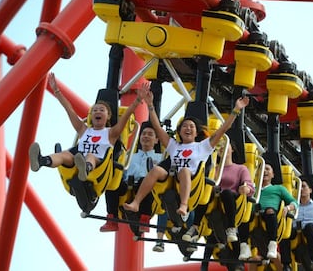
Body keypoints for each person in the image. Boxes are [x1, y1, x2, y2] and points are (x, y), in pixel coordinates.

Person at [123, 82, 250, 218]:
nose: (188, 128)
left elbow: (223, 129)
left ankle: (184, 205)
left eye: (191, 127)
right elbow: (157, 128)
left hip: (192, 180)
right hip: (171, 178)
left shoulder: (203, 146)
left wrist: (236, 110)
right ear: (179, 132)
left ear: (196, 133)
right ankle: (136, 202)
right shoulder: (174, 146)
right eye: (184, 126)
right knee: (156, 170)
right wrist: (150, 105)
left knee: (184, 170)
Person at [29, 72, 145, 181]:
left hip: (100, 166)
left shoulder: (111, 133)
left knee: (90, 155)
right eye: (94, 110)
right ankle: (41, 161)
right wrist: (57, 91)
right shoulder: (84, 130)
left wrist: (138, 99)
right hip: (77, 161)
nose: (97, 112)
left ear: (108, 116)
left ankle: (86, 169)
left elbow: (126, 116)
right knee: (64, 154)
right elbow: (69, 110)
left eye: (101, 110)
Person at [181, 142, 255, 255]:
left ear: (232, 149)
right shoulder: (213, 168)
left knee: (226, 192)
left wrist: (246, 189)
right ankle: (195, 227)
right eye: (220, 146)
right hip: (212, 197)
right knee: (206, 189)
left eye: (225, 146)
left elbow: (249, 186)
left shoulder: (241, 169)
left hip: (231, 198)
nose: (222, 148)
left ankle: (231, 228)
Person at [99, 122, 162, 232]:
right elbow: (121, 173)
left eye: (150, 134)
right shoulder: (129, 155)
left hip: (147, 188)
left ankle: (144, 219)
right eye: (144, 134)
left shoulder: (160, 157)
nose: (146, 136)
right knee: (113, 183)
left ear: (156, 140)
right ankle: (112, 219)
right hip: (128, 184)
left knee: (146, 181)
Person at [257, 161, 298, 260]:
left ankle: (272, 243)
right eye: (262, 168)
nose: (265, 171)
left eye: (268, 169)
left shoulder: (278, 188)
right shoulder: (254, 187)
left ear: (273, 175)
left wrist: (288, 208)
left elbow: (294, 202)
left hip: (270, 214)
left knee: (270, 210)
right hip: (255, 212)